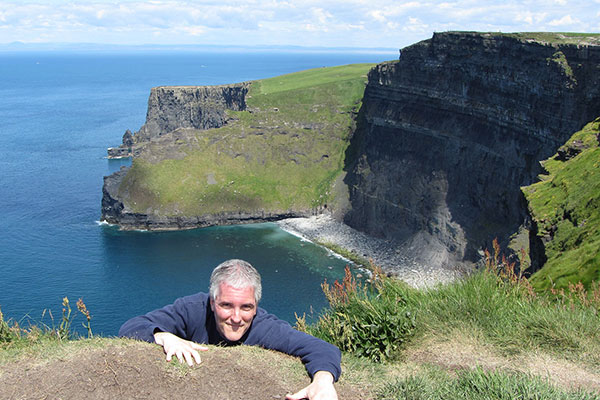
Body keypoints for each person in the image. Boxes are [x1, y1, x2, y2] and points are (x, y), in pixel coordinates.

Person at [119, 259, 340, 400]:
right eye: (226, 305)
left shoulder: (264, 327)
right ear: (213, 302)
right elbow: (131, 327)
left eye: (246, 307)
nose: (236, 318)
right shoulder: (192, 310)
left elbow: (322, 349)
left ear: (256, 307)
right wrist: (164, 336)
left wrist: (322, 381)